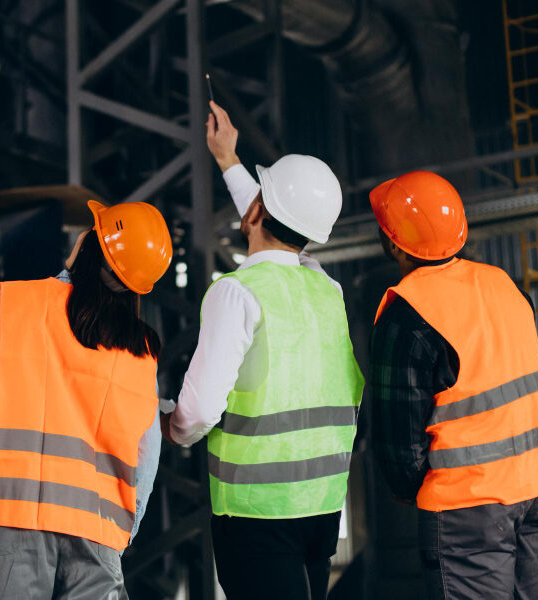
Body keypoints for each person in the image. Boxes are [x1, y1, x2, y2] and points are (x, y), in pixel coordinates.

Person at [162, 101, 364, 600]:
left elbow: (196, 415)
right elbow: (281, 227)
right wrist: (227, 159)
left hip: (256, 514)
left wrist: (169, 425)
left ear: (255, 212)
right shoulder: (326, 290)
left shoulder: (237, 293)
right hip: (322, 506)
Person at [0, 199, 173, 600]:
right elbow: (146, 458)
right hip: (95, 538)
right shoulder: (141, 350)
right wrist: (121, 535)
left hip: (2, 519)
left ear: (90, 244)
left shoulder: (17, 303)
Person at [367, 171, 538, 599]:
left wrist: (413, 489)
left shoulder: (407, 315)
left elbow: (400, 444)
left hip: (467, 506)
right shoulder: (505, 285)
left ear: (395, 243)